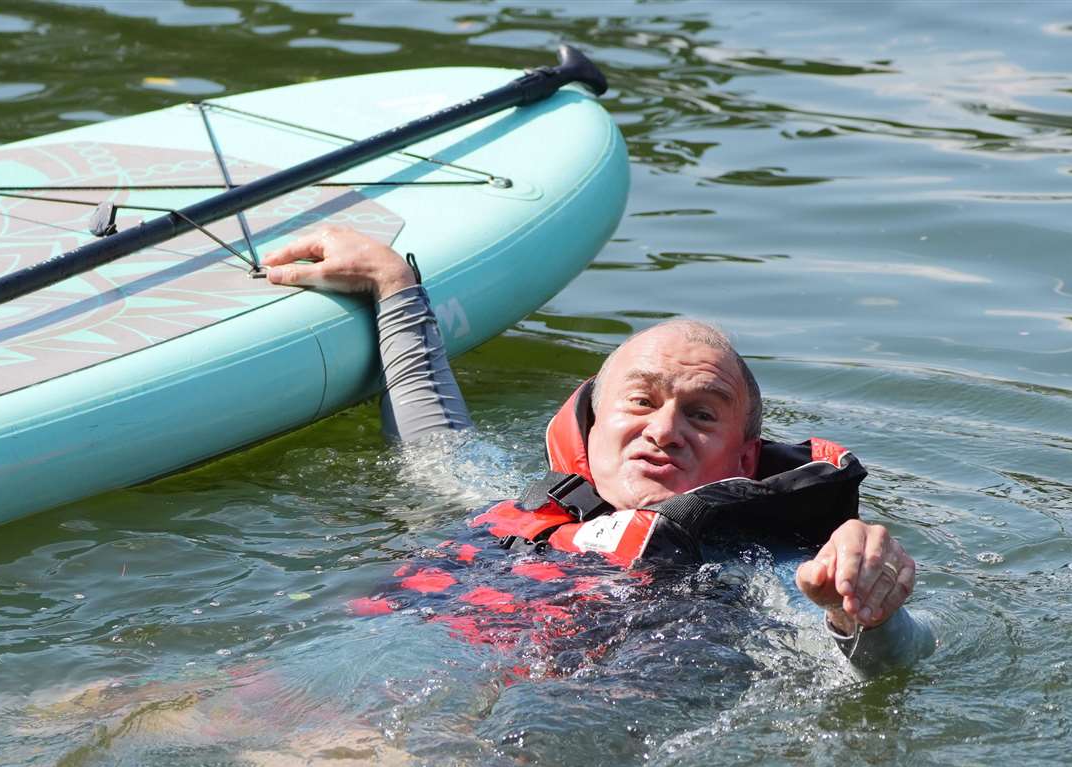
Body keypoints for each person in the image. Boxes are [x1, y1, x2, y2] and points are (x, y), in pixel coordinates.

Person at [262, 227, 934, 671]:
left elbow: (899, 656)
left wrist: (865, 615)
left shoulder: (760, 565)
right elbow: (434, 435)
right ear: (591, 426)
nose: (665, 429)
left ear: (745, 461)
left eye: (702, 414)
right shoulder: (523, 508)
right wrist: (393, 286)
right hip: (338, 671)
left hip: (514, 735)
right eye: (641, 401)